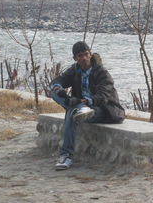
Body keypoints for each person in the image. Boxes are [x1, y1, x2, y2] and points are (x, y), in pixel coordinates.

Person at [50, 41, 125, 170]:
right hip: (80, 107)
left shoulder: (102, 73)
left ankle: (66, 156)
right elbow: (58, 81)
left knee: (73, 113)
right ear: (75, 58)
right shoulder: (75, 70)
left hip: (103, 110)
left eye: (86, 54)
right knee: (55, 93)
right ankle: (73, 106)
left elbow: (102, 97)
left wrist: (82, 102)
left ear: (90, 54)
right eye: (80, 56)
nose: (84, 58)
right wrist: (59, 88)